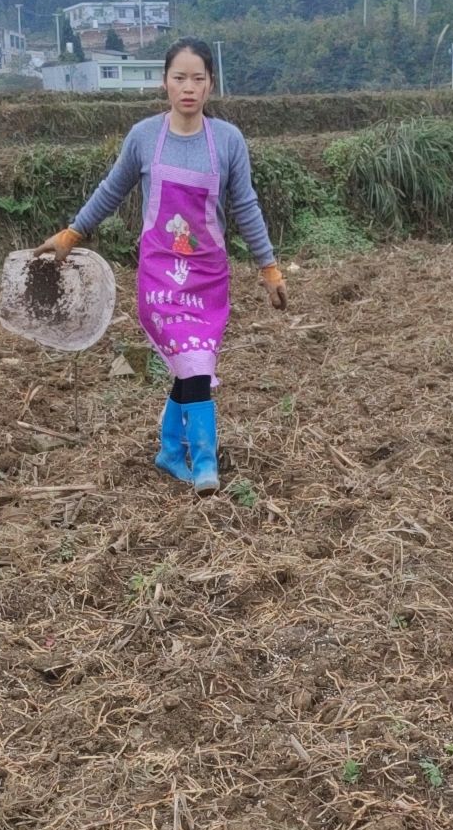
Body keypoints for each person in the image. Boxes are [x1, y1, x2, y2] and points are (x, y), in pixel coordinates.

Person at [38, 38, 286, 495]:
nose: (188, 87)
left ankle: (171, 449)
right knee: (194, 363)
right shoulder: (144, 137)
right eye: (179, 78)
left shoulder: (228, 141)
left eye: (197, 78)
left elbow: (246, 206)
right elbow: (111, 190)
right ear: (165, 83)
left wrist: (268, 267)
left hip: (208, 276)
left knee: (193, 364)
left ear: (210, 84)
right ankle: (205, 461)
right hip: (160, 276)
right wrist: (72, 233)